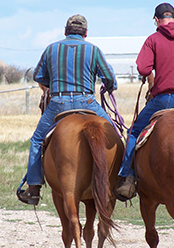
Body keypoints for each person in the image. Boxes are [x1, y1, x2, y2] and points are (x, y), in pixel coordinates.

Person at [17, 14, 117, 205]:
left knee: (37, 140)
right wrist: (109, 87)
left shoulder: (51, 49)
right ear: (86, 33)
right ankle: (122, 179)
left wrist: (53, 84)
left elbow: (38, 75)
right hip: (88, 103)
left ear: (65, 31)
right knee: (114, 134)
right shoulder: (94, 50)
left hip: (58, 103)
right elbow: (109, 78)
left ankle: (34, 188)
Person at [114, 2, 174, 201]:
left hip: (163, 100)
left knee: (133, 132)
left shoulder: (153, 39)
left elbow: (143, 69)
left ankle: (127, 178)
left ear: (156, 20)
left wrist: (155, 74)